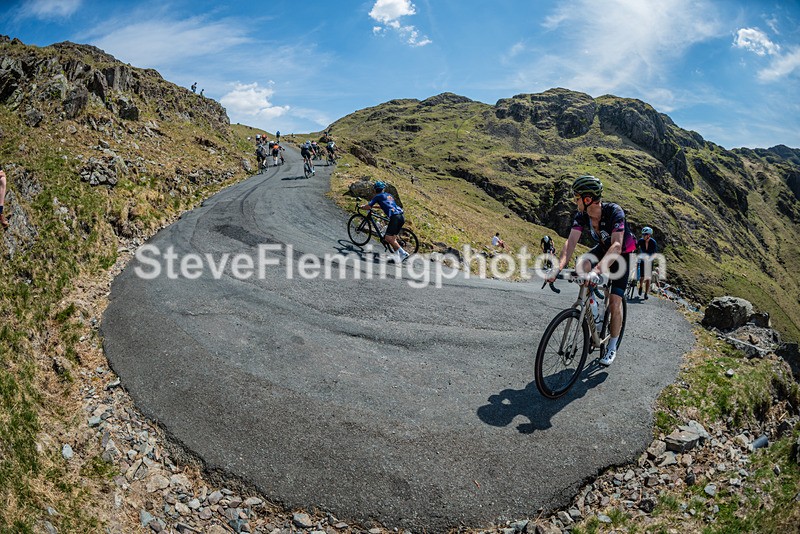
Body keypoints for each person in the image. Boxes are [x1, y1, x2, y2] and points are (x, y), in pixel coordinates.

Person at [547, 175, 636, 366]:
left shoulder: (614, 212)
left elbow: (617, 246)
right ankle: (592, 308)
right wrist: (557, 267)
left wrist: (596, 271)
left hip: (622, 255)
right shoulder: (582, 215)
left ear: (588, 199)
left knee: (614, 302)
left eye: (577, 197)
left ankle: (612, 345)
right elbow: (571, 242)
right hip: (603, 250)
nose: (574, 201)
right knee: (581, 265)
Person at [360, 181, 409, 262]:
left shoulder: (377, 196)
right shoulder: (389, 195)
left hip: (394, 217)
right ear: (383, 189)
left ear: (375, 190)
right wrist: (375, 207)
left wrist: (362, 207)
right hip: (401, 216)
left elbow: (368, 206)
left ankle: (403, 253)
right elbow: (387, 205)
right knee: (392, 238)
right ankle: (396, 255)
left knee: (388, 238)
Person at [636, 226, 658, 300]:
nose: (643, 236)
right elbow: (635, 247)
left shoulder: (653, 242)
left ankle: (646, 293)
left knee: (648, 278)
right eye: (642, 234)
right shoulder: (641, 241)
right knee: (642, 277)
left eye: (644, 234)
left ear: (649, 235)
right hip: (642, 260)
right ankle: (641, 286)